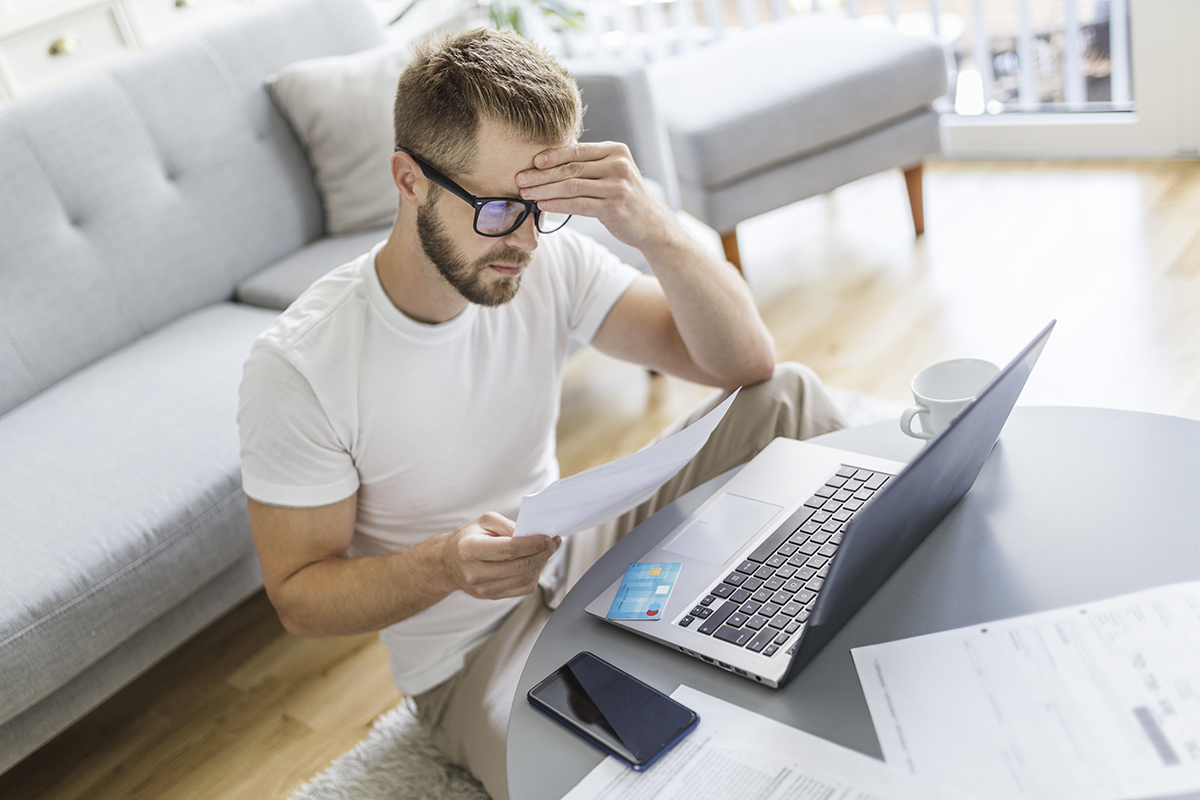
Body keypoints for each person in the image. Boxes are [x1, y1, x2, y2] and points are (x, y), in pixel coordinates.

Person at [237, 27, 846, 800]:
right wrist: (444, 563)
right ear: (409, 179)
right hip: (474, 655)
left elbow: (744, 366)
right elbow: (298, 596)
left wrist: (653, 226)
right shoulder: (302, 366)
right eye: (497, 209)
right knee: (612, 784)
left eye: (542, 207)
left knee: (786, 396)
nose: (523, 240)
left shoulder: (541, 256)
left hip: (578, 550)